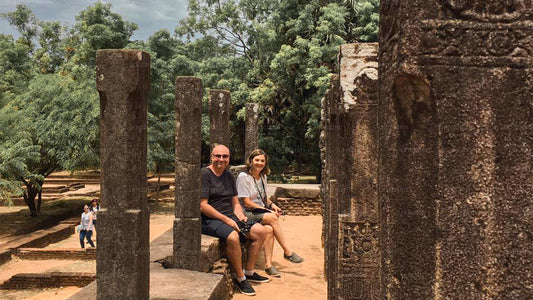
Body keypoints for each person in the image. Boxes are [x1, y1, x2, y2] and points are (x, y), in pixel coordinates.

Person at [200, 144, 269, 296]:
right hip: (210, 219)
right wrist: (227, 220)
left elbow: (235, 202)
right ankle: (240, 277)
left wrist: (240, 215)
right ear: (211, 157)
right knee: (233, 236)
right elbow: (203, 205)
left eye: (225, 156)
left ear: (228, 158)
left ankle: (249, 271)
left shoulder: (229, 175)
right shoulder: (205, 174)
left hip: (229, 216)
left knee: (261, 231)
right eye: (218, 156)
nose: (221, 159)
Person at [236, 149, 304, 278]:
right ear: (250, 161)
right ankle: (287, 252)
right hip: (246, 212)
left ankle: (268, 265)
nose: (259, 163)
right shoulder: (243, 177)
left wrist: (273, 205)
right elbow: (246, 202)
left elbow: (263, 198)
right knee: (272, 218)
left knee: (269, 230)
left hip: (259, 211)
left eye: (262, 160)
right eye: (257, 160)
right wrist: (267, 211)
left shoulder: (263, 176)